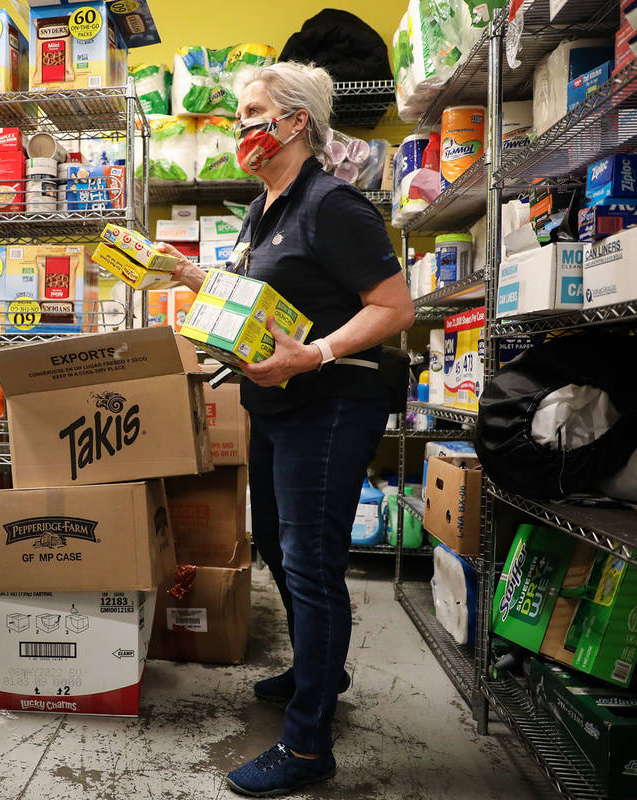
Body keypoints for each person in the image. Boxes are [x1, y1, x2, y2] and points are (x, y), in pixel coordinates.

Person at [156, 61, 414, 796]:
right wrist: (189, 275)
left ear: (296, 122)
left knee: (310, 560)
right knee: (274, 541)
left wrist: (319, 353)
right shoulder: (264, 207)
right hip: (276, 402)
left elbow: (396, 309)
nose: (239, 127)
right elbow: (255, 296)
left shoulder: (332, 205)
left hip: (332, 402)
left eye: (250, 113)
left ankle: (307, 747)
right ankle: (317, 672)